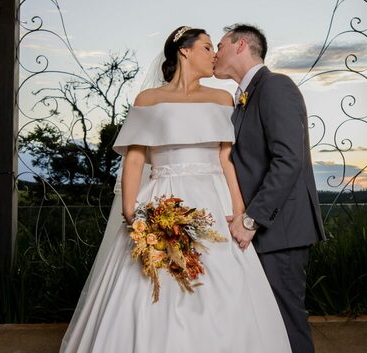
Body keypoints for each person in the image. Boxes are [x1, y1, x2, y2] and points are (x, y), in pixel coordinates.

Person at [59, 26, 292, 353]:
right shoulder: (148, 100)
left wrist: (239, 212)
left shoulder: (222, 99)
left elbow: (227, 160)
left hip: (213, 201)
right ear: (184, 50)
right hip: (160, 198)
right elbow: (136, 160)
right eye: (208, 47)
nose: (214, 55)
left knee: (222, 288)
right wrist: (131, 214)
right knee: (148, 285)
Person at [213, 23, 326, 353]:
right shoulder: (243, 98)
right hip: (260, 231)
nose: (215, 54)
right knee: (265, 327)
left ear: (240, 45)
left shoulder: (275, 85)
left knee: (286, 324)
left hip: (280, 232)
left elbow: (288, 160)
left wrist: (251, 220)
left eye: (219, 45)